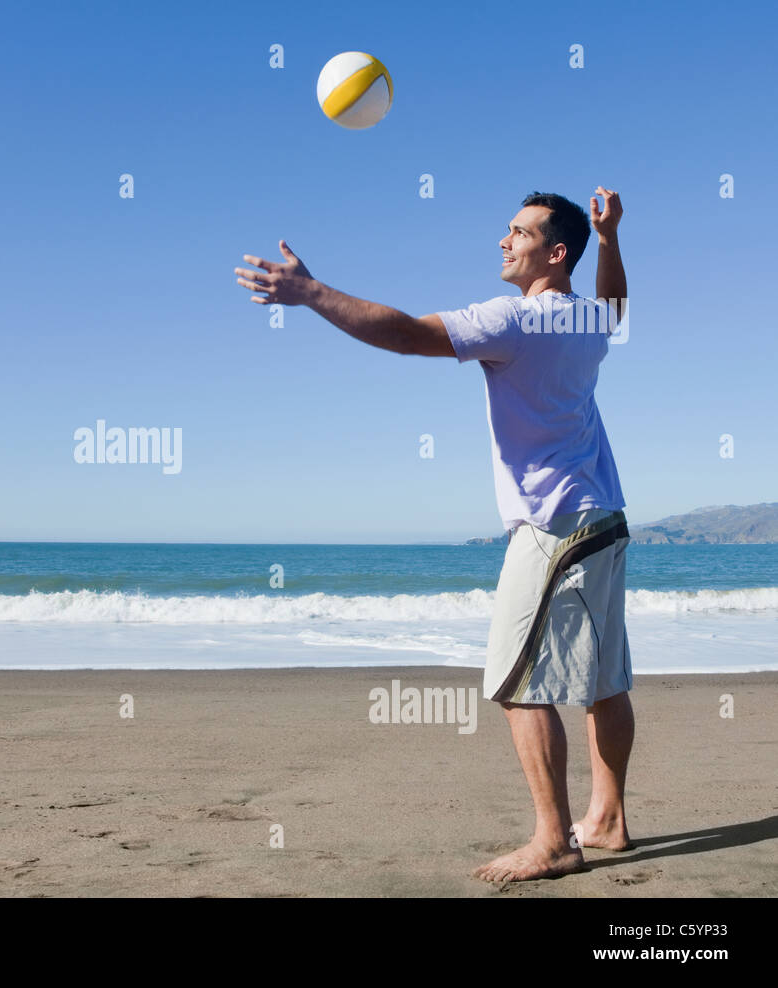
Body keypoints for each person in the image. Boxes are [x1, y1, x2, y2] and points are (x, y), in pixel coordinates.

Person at [234, 188, 633, 882]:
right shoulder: (590, 320)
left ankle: (554, 841)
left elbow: (407, 334)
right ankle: (607, 819)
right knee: (603, 680)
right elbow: (619, 305)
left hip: (552, 525)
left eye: (519, 233)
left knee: (518, 685)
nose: (504, 242)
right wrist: (612, 238)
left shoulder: (512, 319)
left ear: (555, 251)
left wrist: (312, 293)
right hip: (605, 520)